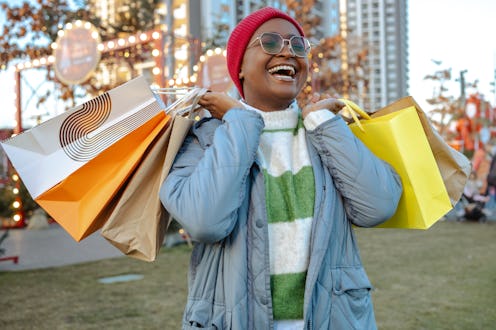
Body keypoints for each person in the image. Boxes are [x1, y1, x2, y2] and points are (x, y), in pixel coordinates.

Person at [160, 6, 402, 329]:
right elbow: (206, 220)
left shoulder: (327, 134)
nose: (288, 51)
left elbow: (379, 205)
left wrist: (323, 122)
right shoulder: (200, 139)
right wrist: (241, 122)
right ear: (240, 67)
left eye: (298, 45)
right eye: (271, 42)